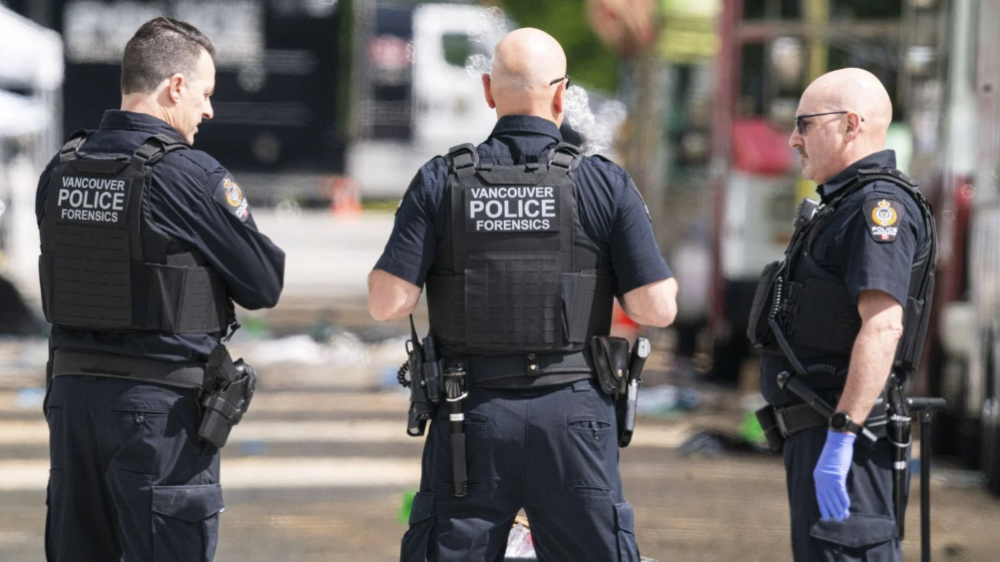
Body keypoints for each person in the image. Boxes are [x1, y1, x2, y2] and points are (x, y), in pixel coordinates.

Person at [368, 28, 678, 562]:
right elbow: (656, 308)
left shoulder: (441, 180)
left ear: (488, 91)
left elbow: (387, 303)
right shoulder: (603, 183)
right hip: (575, 417)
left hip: (471, 415)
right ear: (562, 95)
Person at [36, 17, 285, 562]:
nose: (209, 110)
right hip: (157, 412)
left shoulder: (61, 168)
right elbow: (263, 283)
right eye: (205, 93)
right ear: (175, 87)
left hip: (72, 403)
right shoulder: (189, 175)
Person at [749, 68, 936, 562]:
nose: (794, 139)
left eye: (805, 124)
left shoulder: (876, 208)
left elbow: (883, 324)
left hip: (850, 437)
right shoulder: (843, 205)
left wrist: (843, 434)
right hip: (825, 430)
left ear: (851, 125)